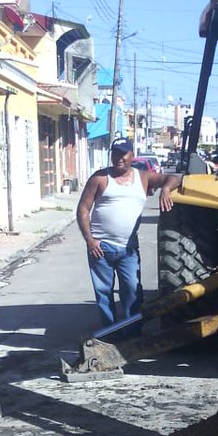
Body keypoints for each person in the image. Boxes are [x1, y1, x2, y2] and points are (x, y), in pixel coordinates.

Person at [76, 138, 176, 326]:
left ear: (132, 155)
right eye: (115, 153)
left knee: (131, 290)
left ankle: (131, 332)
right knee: (103, 292)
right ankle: (109, 333)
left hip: (128, 248)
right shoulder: (100, 178)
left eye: (123, 154)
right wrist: (89, 240)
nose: (119, 158)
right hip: (101, 247)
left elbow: (174, 178)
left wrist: (166, 189)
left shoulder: (144, 177)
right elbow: (83, 209)